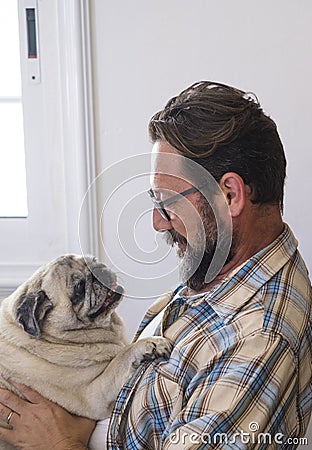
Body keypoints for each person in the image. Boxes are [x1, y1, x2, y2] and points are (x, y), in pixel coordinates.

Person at [0, 81, 311, 449]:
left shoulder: (258, 340)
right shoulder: (220, 269)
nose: (157, 222)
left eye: (167, 202)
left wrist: (59, 443)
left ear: (230, 195)